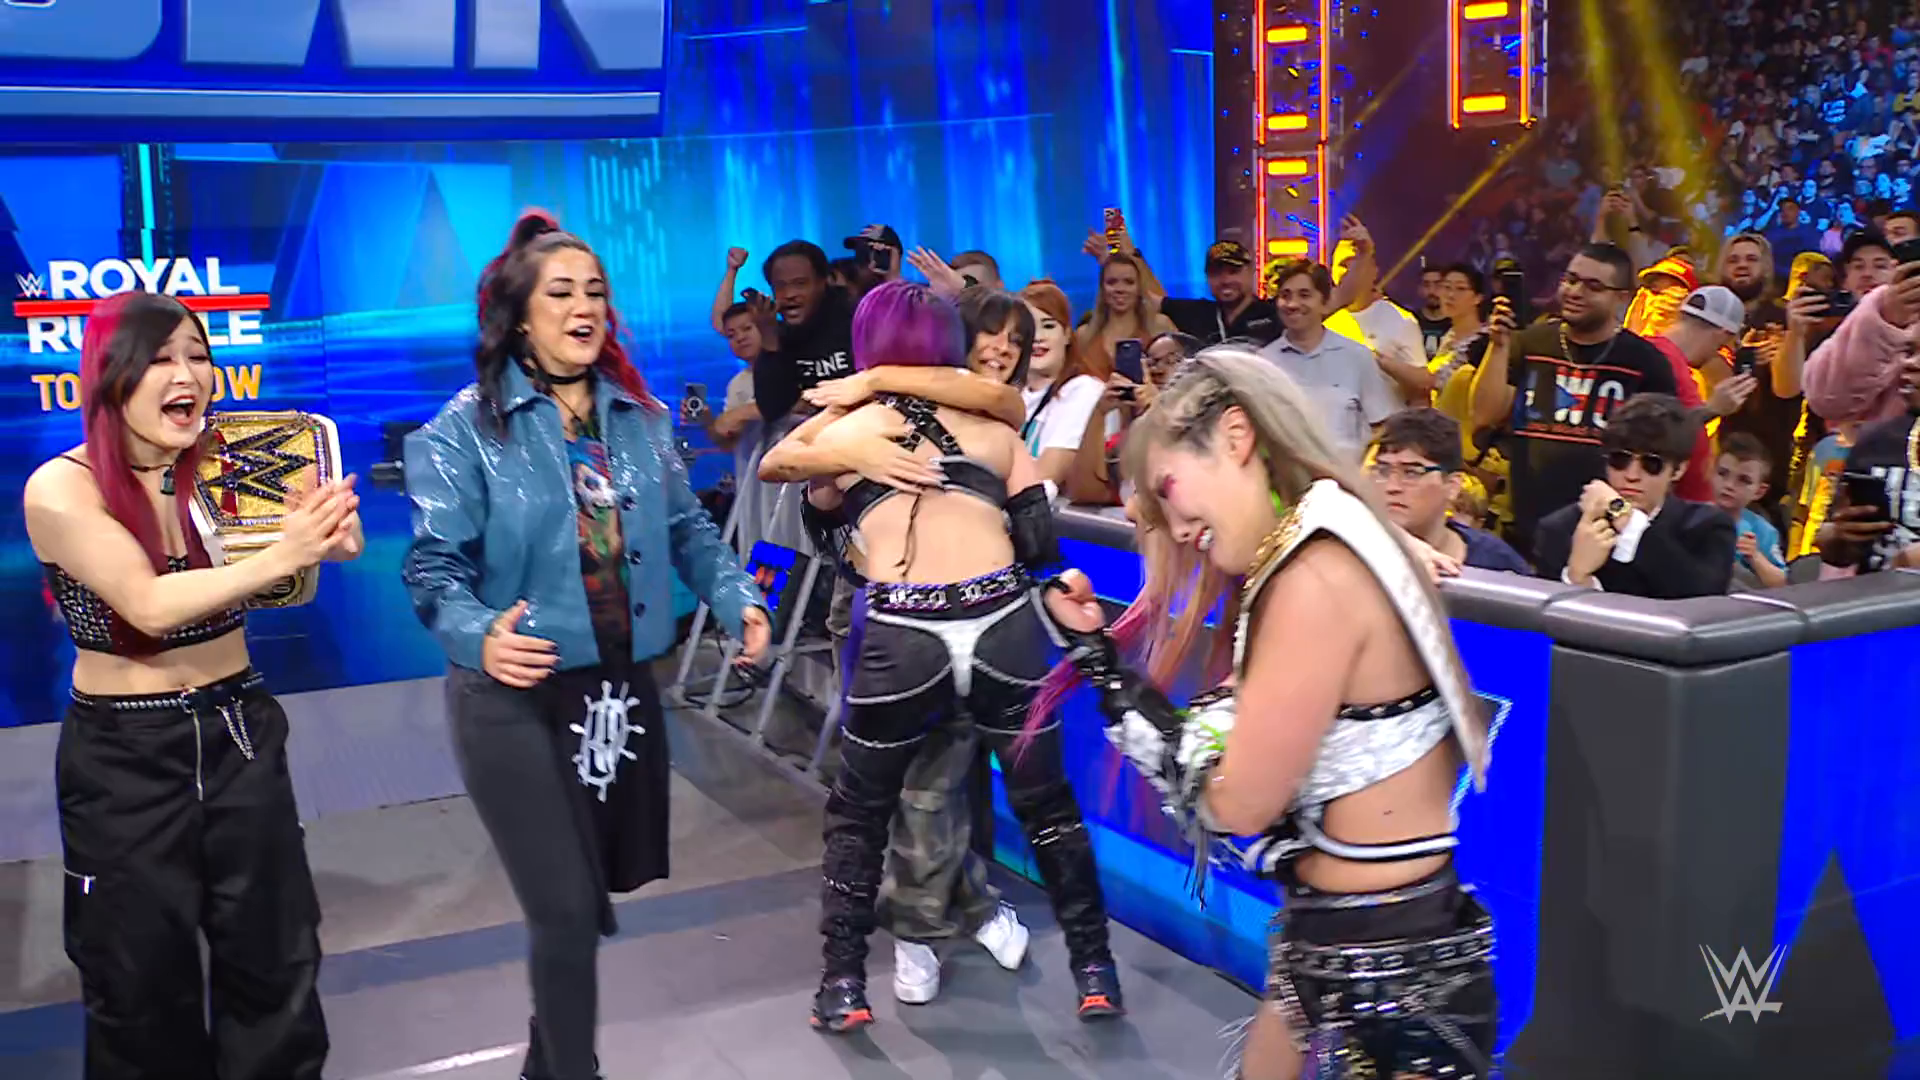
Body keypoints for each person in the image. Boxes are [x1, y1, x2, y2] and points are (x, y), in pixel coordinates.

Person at [1031, 348, 1500, 1078]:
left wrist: (1106, 675)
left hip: (1397, 982)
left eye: (1169, 488)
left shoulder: (1314, 573)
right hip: (1340, 951)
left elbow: (1237, 806)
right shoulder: (1319, 543)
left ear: (1236, 437)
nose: (1177, 528)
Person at [402, 212, 772, 1080]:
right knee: (566, 908)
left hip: (617, 693)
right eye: (561, 293)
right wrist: (477, 636)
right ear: (518, 317)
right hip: (512, 696)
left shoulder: (638, 420)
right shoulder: (463, 430)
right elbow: (432, 566)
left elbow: (687, 530)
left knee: (583, 895)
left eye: (595, 292)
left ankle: (548, 1058)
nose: (584, 308)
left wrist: (737, 599)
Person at [759, 280, 1118, 1033]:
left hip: (904, 626)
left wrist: (846, 450)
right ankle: (1095, 970)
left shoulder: (849, 425)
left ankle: (842, 983)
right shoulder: (997, 427)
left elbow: (808, 504)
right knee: (1047, 806)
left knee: (860, 814)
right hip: (999, 619)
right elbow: (1039, 546)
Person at [23, 291, 361, 1078]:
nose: (188, 375)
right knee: (138, 983)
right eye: (160, 359)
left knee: (276, 963)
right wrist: (281, 554)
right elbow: (145, 603)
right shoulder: (62, 489)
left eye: (198, 355)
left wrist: (327, 537)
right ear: (109, 376)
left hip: (240, 729)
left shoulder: (231, 464)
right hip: (126, 755)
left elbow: (310, 562)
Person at [777, 287, 1037, 1007]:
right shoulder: (847, 417)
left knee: (940, 779)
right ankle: (927, 932)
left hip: (970, 612)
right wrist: (838, 465)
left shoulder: (979, 408)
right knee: (916, 783)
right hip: (877, 612)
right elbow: (811, 503)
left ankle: (959, 908)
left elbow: (1005, 413)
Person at [1470, 243, 1680, 557]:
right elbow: (1484, 415)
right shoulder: (1530, 343)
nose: (1575, 292)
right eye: (1571, 280)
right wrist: (1499, 347)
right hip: (1525, 531)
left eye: (1593, 286)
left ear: (1621, 298)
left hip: (1606, 537)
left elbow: (1662, 457)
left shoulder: (1645, 363)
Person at [1533, 394, 1736, 598]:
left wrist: (1624, 516)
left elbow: (1703, 599)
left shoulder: (1708, 528)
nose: (1632, 475)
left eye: (1651, 464)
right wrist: (1576, 577)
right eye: (1620, 459)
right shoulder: (1560, 530)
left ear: (1678, 470)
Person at [1370, 409, 1531, 573]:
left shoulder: (1497, 562)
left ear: (1452, 486)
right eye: (1383, 470)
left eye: (1412, 473)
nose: (1392, 487)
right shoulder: (1357, 551)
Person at [1712, 434, 1791, 588]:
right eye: (1722, 473)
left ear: (1759, 491)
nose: (1729, 485)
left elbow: (1781, 582)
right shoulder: (1689, 517)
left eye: (1743, 480)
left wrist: (1755, 556)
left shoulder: (1763, 532)